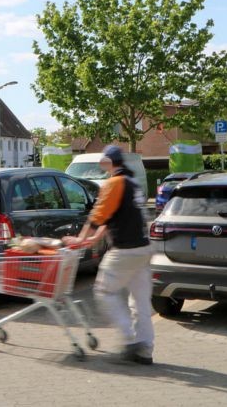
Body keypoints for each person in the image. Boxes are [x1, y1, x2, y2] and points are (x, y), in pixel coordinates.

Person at [62, 145, 154, 365]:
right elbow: (115, 215)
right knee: (140, 302)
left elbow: (98, 216)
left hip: (125, 250)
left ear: (111, 163)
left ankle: (129, 341)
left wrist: (80, 239)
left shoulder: (114, 183)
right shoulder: (132, 183)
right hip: (144, 248)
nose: (103, 168)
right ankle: (145, 350)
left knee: (104, 290)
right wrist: (92, 240)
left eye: (105, 163)